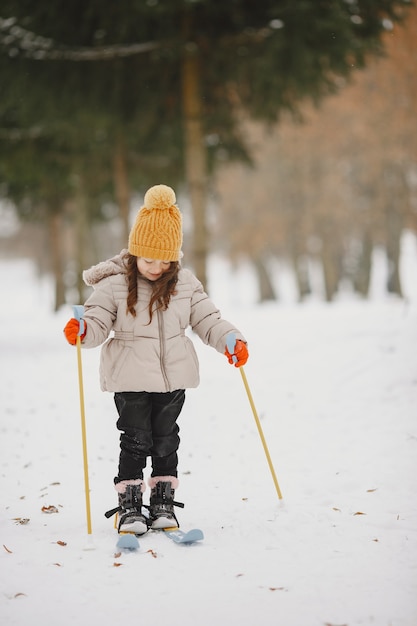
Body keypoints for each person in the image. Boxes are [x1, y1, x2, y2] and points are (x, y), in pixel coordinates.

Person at [64, 184, 248, 535]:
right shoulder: (115, 285)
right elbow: (98, 320)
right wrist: (83, 330)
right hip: (129, 377)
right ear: (134, 252)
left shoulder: (185, 284)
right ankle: (130, 504)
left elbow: (207, 319)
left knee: (166, 439)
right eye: (149, 259)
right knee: (135, 439)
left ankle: (163, 501)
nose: (156, 267)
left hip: (172, 378)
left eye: (165, 260)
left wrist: (229, 339)